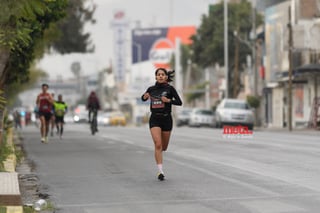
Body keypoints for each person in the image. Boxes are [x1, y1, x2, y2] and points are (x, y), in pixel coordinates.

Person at [141, 68, 182, 181]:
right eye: (158, 74)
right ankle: (160, 171)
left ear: (166, 77)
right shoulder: (151, 89)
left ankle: (160, 156)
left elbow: (179, 102)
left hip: (167, 119)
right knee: (158, 145)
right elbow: (143, 97)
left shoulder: (170, 89)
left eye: (162, 74)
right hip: (155, 119)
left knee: (164, 147)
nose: (160, 76)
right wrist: (144, 97)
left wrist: (168, 101)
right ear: (155, 77)